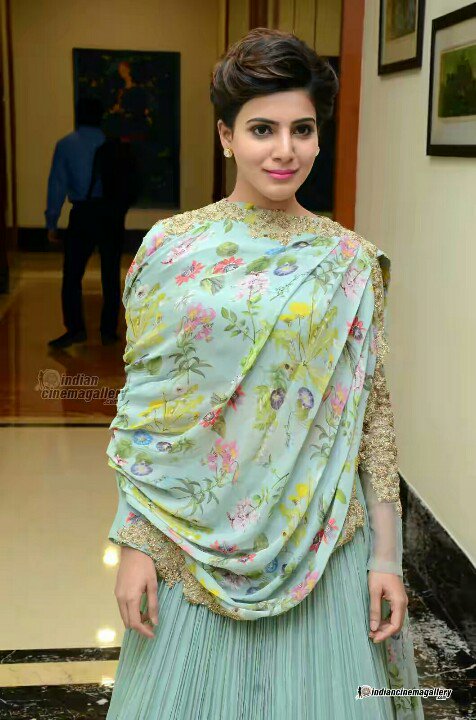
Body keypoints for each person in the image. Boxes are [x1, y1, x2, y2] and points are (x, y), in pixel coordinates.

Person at [105, 28, 424, 719]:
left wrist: (387, 558)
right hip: (192, 541)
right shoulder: (173, 249)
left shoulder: (350, 261)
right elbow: (148, 413)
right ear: (226, 136)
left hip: (322, 539)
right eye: (262, 129)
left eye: (302, 130)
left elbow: (372, 415)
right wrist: (134, 542)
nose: (285, 150)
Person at [46, 97, 126, 349]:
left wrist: (51, 221)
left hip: (82, 213)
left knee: (72, 275)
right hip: (110, 215)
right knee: (110, 274)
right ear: (100, 117)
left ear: (77, 115)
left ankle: (75, 329)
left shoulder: (66, 145)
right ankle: (108, 330)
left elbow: (57, 184)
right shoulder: (112, 144)